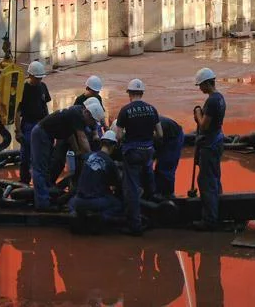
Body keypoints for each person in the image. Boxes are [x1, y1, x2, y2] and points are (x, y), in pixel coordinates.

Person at [31, 97, 105, 210]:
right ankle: (42, 204)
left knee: (44, 168)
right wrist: (92, 158)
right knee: (39, 169)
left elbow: (69, 135)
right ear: (88, 113)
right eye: (92, 121)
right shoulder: (76, 115)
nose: (91, 124)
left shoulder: (77, 112)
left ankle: (45, 196)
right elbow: (82, 138)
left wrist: (77, 152)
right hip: (41, 134)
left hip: (46, 135)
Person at [114, 78, 162, 235]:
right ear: (142, 93)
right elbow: (160, 134)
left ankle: (135, 225)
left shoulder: (125, 110)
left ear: (130, 93)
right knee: (148, 176)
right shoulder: (152, 109)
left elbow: (119, 135)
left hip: (132, 152)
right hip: (148, 151)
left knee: (132, 188)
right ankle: (153, 205)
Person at [193, 67, 226, 230]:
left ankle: (209, 220)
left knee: (206, 181)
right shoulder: (220, 98)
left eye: (200, 85)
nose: (199, 88)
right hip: (217, 141)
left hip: (210, 144)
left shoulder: (212, 101)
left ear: (207, 83)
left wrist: (198, 113)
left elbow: (204, 126)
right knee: (214, 178)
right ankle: (221, 209)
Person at [68, 130, 123, 224]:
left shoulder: (88, 156)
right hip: (95, 202)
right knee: (118, 205)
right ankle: (101, 217)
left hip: (78, 201)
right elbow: (117, 184)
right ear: (113, 146)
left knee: (72, 203)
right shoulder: (110, 162)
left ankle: (74, 213)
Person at [16, 60, 51, 184]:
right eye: (37, 78)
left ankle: (42, 180)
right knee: (25, 154)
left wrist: (48, 124)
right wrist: (18, 131)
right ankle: (24, 180)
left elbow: (45, 105)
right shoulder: (23, 89)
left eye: (40, 78)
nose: (39, 80)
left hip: (41, 124)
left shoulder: (43, 87)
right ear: (30, 75)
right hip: (28, 125)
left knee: (41, 155)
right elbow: (18, 112)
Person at [153, 115, 183, 199]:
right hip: (162, 135)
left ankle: (169, 195)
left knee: (166, 167)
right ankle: (158, 191)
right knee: (159, 168)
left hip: (173, 137)